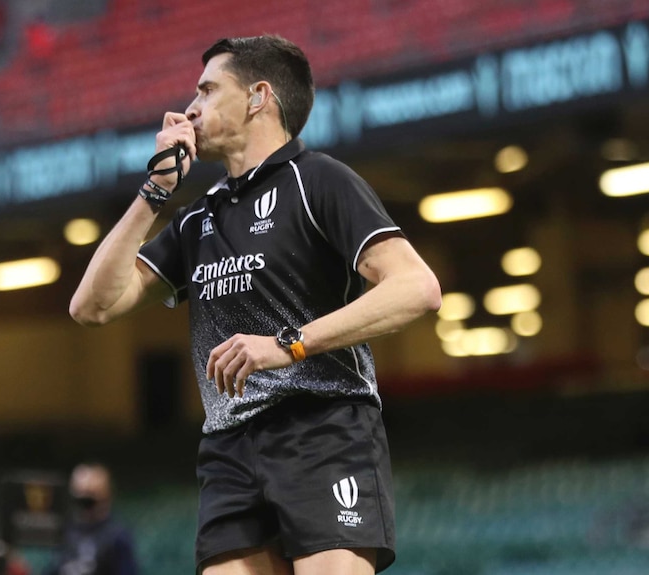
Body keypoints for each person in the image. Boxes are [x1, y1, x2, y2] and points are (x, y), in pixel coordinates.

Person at [69, 35, 441, 575]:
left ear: (258, 96)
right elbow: (92, 306)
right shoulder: (196, 221)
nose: (189, 107)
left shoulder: (318, 180)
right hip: (228, 451)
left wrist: (288, 344)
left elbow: (417, 288)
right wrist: (154, 191)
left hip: (324, 427)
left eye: (207, 89)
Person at [43, 463, 138, 575]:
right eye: (78, 497)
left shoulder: (116, 535)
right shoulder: (66, 529)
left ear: (106, 497)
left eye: (89, 498)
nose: (83, 504)